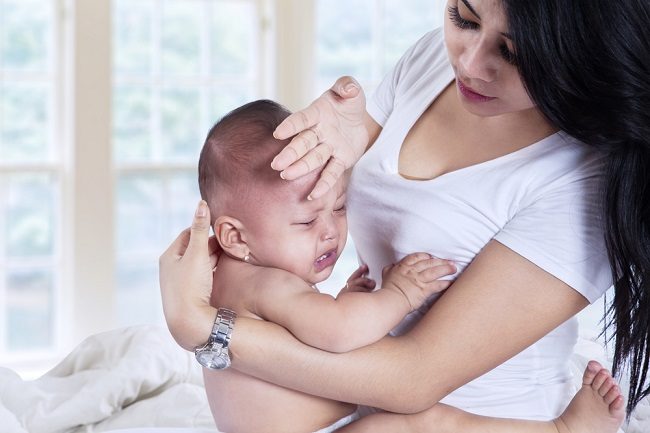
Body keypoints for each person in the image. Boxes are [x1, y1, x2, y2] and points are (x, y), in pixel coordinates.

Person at [161, 0, 649, 431]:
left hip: (475, 414)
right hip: (370, 405)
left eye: (515, 52)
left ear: (582, 51)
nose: (471, 63)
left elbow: (412, 380)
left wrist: (205, 329)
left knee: (429, 422)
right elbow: (326, 315)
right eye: (464, 17)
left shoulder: (588, 176)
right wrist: (351, 144)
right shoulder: (433, 62)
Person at [193, 99, 455, 433]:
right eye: (306, 222)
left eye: (340, 207)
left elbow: (303, 329)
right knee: (425, 423)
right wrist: (401, 293)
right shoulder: (265, 283)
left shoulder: (234, 279)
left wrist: (342, 298)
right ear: (236, 238)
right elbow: (338, 331)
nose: (330, 231)